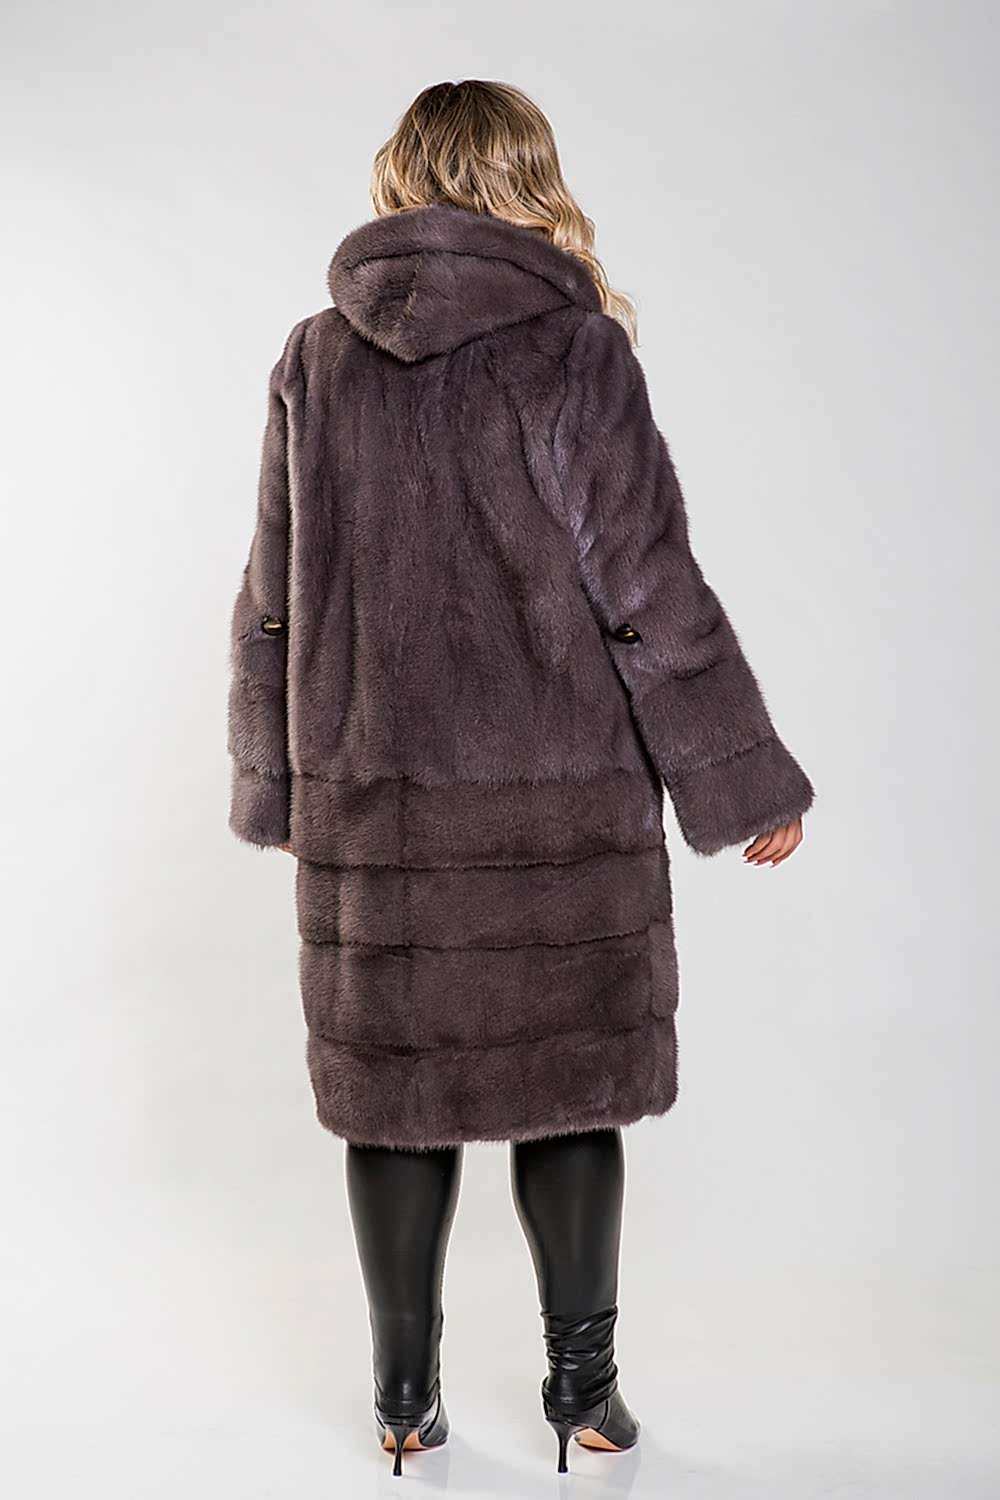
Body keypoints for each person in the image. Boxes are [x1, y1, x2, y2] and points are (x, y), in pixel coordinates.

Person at [226, 79, 813, 1475]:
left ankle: (402, 1401)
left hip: (375, 809)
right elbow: (646, 587)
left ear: (404, 175)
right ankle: (584, 1400)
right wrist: (743, 777)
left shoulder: (317, 357)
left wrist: (277, 784)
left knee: (395, 1101)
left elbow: (271, 599)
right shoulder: (575, 350)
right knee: (573, 1089)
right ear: (527, 179)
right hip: (558, 811)